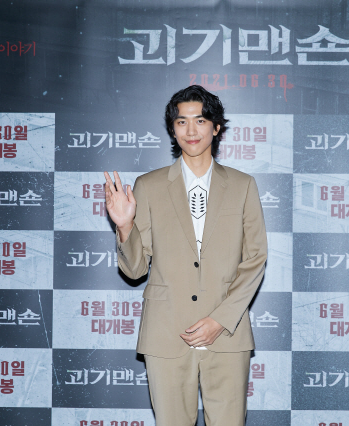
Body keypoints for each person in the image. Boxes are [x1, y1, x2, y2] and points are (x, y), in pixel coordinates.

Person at [103, 85, 267, 426]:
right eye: (182, 122)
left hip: (227, 334)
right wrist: (125, 226)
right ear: (172, 129)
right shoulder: (148, 186)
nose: (191, 130)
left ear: (216, 127)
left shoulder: (243, 185)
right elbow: (134, 270)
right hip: (166, 332)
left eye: (200, 120)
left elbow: (255, 260)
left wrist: (220, 320)